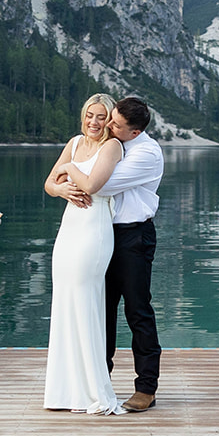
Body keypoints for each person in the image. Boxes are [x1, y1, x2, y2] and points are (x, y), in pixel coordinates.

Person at [64, 95, 162, 413]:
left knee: (137, 310)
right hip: (101, 235)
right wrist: (60, 183)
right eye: (110, 118)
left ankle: (146, 388)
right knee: (100, 311)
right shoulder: (111, 142)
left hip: (134, 237)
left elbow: (98, 186)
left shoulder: (146, 153)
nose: (107, 124)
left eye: (116, 123)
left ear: (134, 132)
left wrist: (69, 168)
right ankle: (98, 382)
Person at [41, 94, 125, 414]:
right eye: (90, 115)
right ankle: (65, 392)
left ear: (109, 120)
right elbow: (50, 183)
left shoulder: (112, 147)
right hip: (70, 227)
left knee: (86, 299)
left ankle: (92, 391)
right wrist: (60, 188)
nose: (94, 122)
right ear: (82, 116)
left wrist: (68, 169)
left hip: (94, 228)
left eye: (101, 117)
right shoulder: (75, 143)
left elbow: (90, 185)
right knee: (64, 300)